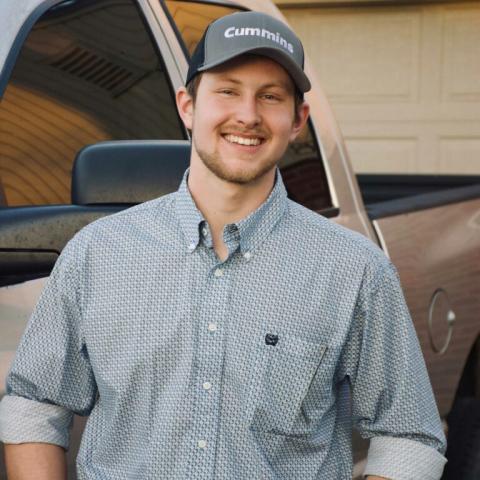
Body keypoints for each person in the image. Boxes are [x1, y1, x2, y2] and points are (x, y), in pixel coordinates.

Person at [0, 11, 446, 480]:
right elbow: (36, 402)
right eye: (228, 90)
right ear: (188, 106)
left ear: (298, 119)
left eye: (270, 96)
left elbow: (407, 437)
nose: (248, 115)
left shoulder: (355, 271)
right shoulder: (97, 254)